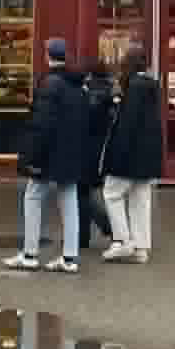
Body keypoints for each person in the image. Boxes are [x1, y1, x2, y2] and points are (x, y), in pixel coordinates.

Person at [5, 39, 91, 274]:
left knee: (33, 195)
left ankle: (30, 253)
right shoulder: (78, 84)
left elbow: (41, 125)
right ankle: (69, 257)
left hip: (50, 154)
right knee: (69, 200)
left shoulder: (49, 84)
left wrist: (33, 156)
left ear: (48, 55)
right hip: (71, 153)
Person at [100, 45, 163, 263]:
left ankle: (123, 240)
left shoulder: (134, 87)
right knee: (140, 198)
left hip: (129, 154)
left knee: (111, 193)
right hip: (148, 155)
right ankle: (141, 247)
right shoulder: (152, 86)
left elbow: (127, 124)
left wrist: (116, 154)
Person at [79, 59, 117, 249]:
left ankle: (109, 227)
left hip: (88, 149)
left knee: (82, 192)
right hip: (103, 148)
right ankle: (84, 236)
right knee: (85, 191)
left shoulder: (90, 93)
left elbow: (86, 119)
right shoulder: (111, 90)